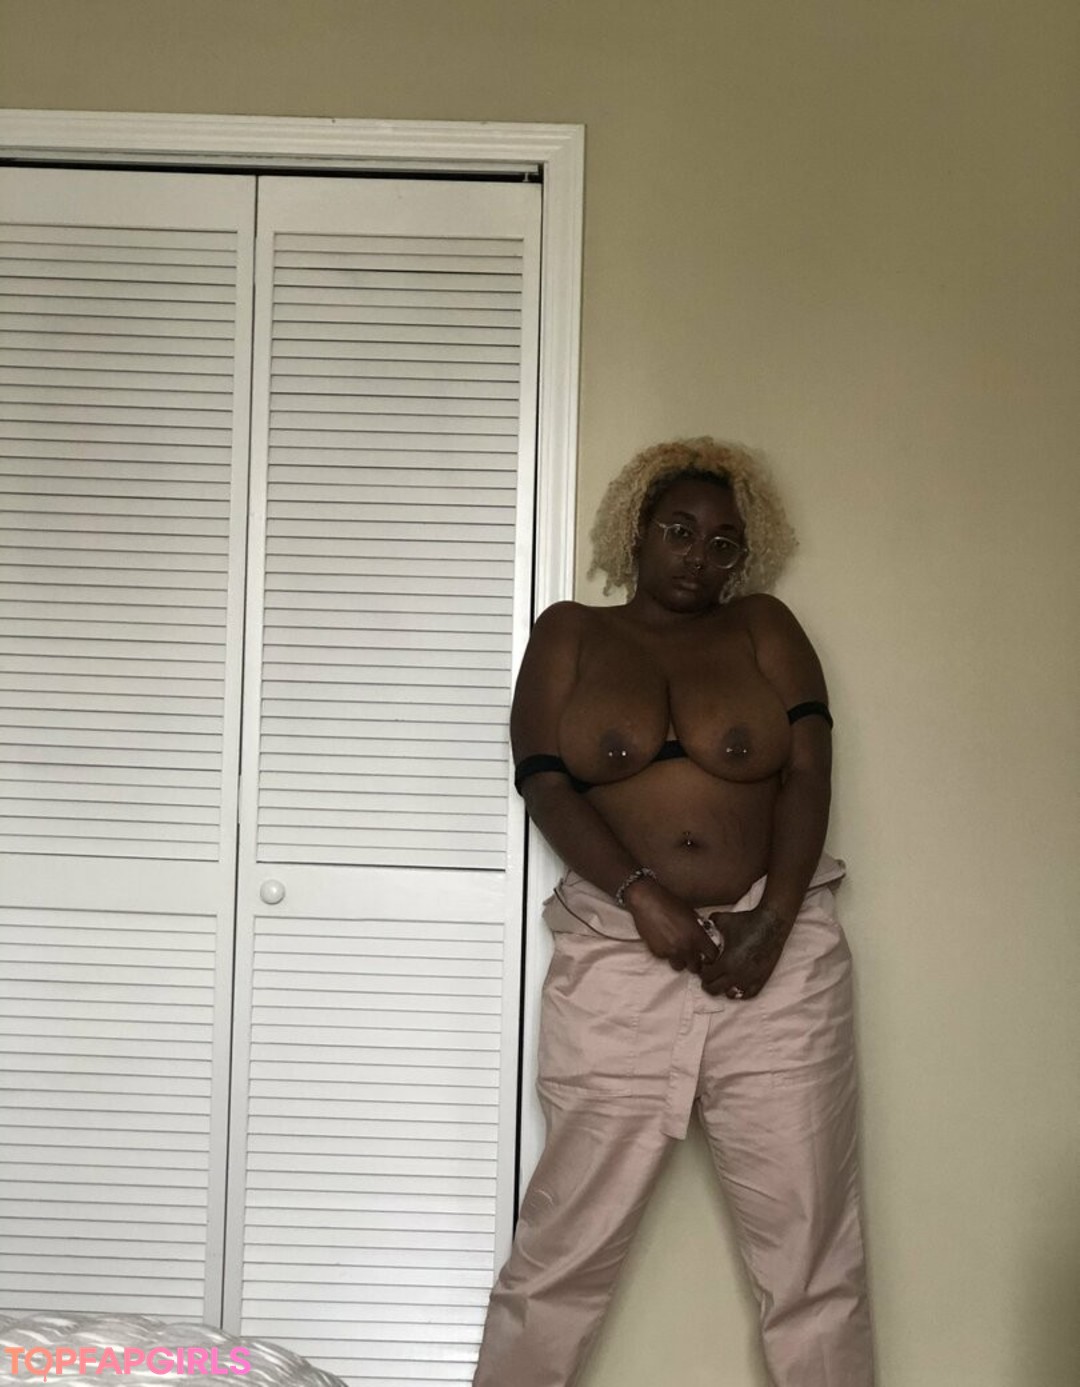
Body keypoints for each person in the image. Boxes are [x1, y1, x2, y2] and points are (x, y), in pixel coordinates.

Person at [472, 437, 874, 1387]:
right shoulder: (571, 633)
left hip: (778, 954)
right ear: (638, 530)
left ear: (745, 555)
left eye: (723, 543)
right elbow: (544, 781)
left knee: (813, 1253)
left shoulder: (764, 628)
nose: (699, 556)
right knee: (564, 1247)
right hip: (618, 954)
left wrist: (774, 922)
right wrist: (640, 895)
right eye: (680, 531)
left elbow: (809, 774)